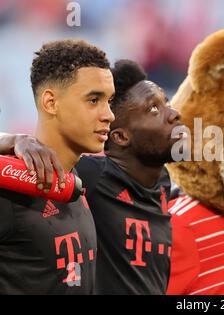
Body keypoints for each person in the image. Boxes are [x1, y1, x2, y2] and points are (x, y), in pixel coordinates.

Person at [1, 60, 185, 294]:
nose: (174, 114)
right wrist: (12, 139)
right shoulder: (94, 177)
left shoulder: (163, 184)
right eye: (154, 108)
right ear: (120, 137)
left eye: (166, 103)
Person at [0, 40, 115, 294]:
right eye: (94, 100)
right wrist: (7, 138)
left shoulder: (80, 179)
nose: (109, 115)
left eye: (109, 100)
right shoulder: (9, 189)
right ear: (51, 103)